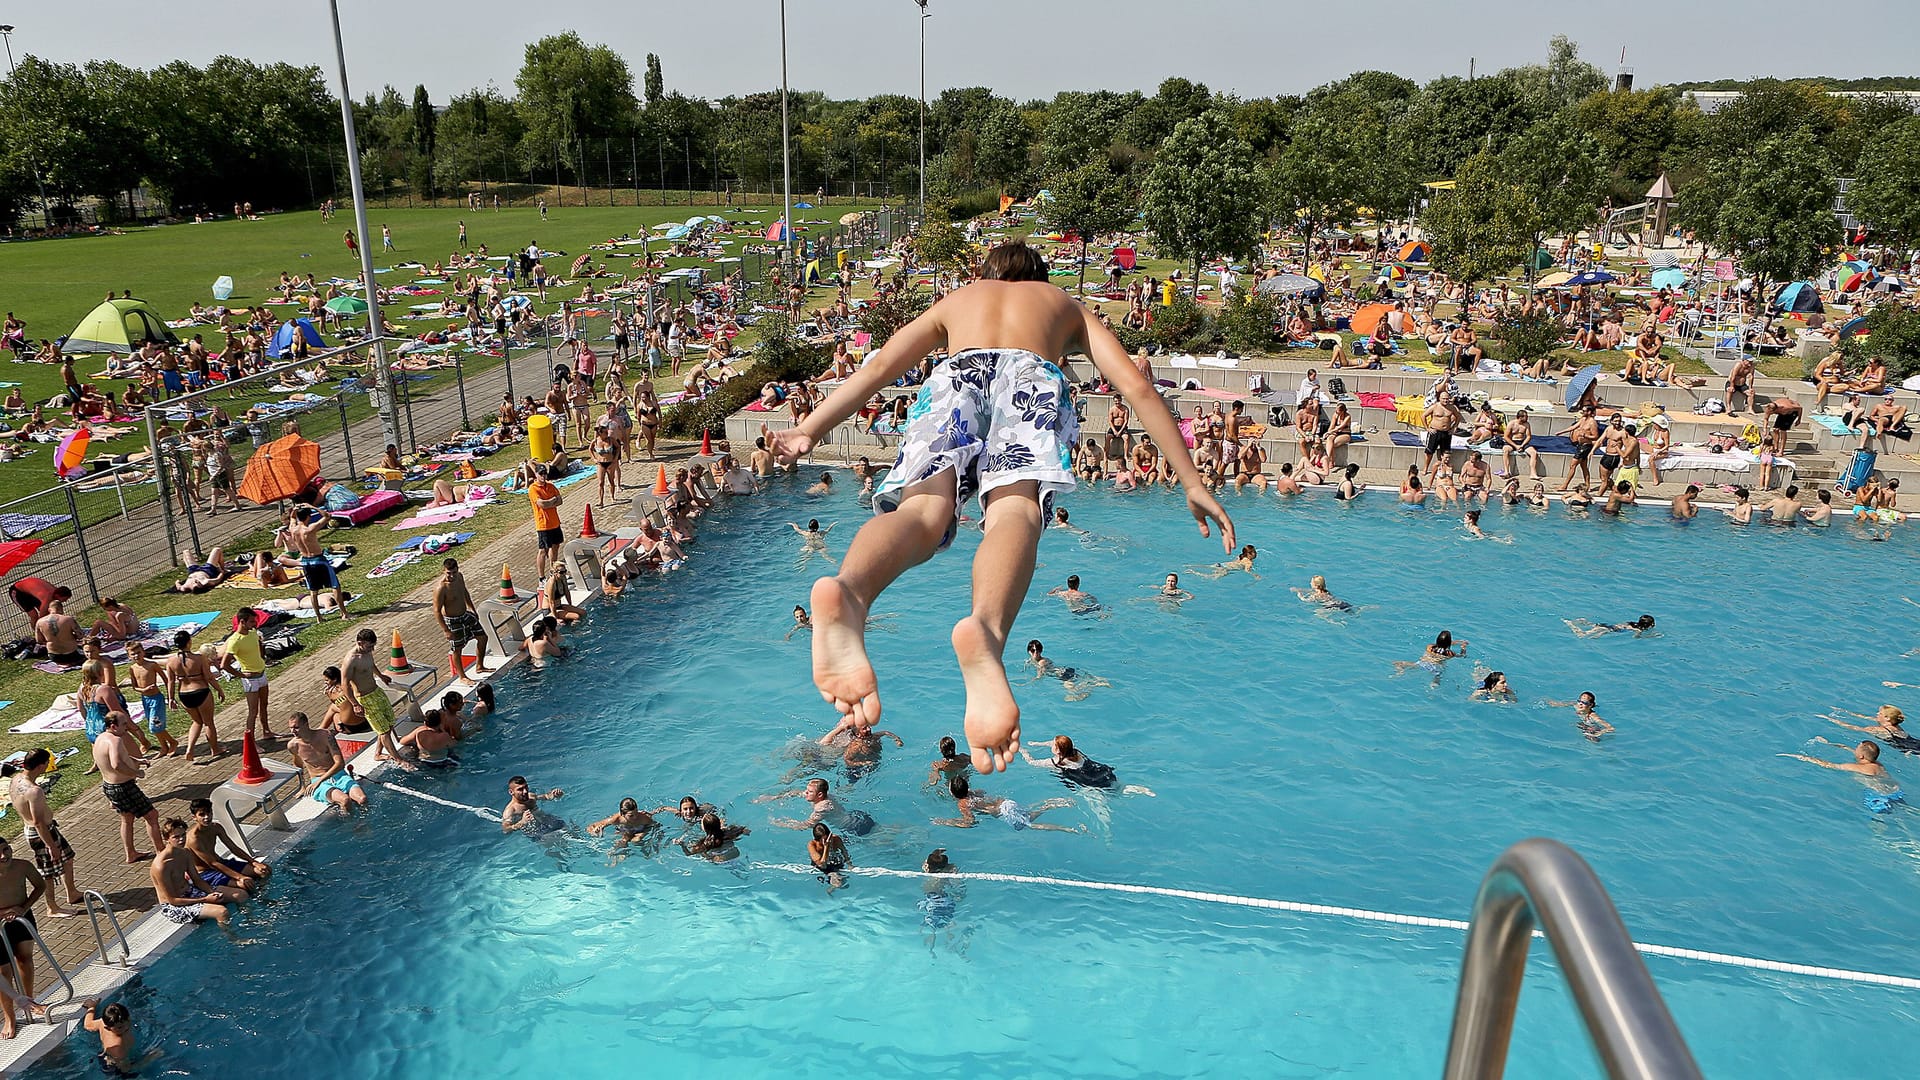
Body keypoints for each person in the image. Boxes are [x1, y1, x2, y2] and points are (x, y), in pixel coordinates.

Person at [763, 240, 1233, 774]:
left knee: (921, 513)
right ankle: (984, 629)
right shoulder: (1065, 305)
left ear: (987, 275)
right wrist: (1191, 480)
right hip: (1030, 382)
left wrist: (807, 430)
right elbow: (1136, 388)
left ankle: (848, 592)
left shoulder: (957, 300)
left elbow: (878, 370)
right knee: (1015, 514)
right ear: (1041, 274)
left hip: (954, 379)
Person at [4, 750, 82, 918]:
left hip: (45, 830)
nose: (48, 765)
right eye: (47, 763)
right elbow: (38, 822)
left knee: (68, 858)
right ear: (40, 765)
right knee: (48, 872)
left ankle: (72, 892)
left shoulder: (16, 779)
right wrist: (51, 846)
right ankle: (52, 907)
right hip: (42, 834)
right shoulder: (34, 791)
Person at [95, 713, 164, 863]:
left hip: (109, 786)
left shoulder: (100, 739)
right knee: (151, 816)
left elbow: (119, 757)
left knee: (127, 819)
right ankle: (161, 851)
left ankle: (131, 853)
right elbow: (116, 764)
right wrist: (136, 773)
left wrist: (138, 760)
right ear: (113, 726)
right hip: (123, 787)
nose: (127, 727)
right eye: (124, 724)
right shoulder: (115, 740)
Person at [151, 818, 233, 930]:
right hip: (174, 906)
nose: (181, 840)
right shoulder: (161, 866)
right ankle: (234, 940)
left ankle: (249, 922)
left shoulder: (185, 853)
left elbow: (197, 880)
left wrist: (212, 893)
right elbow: (172, 900)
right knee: (221, 912)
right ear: (167, 839)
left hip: (191, 891)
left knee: (239, 894)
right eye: (176, 837)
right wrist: (206, 899)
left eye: (183, 835)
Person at [934, 773, 1080, 832]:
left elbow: (969, 822)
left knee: (1030, 825)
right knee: (1027, 813)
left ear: (953, 793)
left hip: (1004, 812)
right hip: (1007, 803)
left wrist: (947, 822)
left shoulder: (962, 804)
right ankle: (1049, 804)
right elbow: (983, 792)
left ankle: (1066, 829)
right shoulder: (973, 792)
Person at [185, 797, 271, 893]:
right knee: (244, 884)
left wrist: (254, 862)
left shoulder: (216, 827)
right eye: (202, 815)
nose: (207, 817)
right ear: (194, 817)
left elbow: (233, 848)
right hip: (206, 872)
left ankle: (264, 893)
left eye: (208, 812)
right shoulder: (194, 838)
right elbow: (212, 864)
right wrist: (240, 877)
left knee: (264, 870)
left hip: (221, 863)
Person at [340, 628, 401, 763]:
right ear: (359, 642)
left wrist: (381, 676)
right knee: (383, 731)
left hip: (376, 691)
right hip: (365, 698)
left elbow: (371, 665)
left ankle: (378, 754)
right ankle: (399, 759)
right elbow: (345, 684)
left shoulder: (367, 652)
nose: (371, 650)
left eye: (373, 646)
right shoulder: (351, 660)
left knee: (390, 723)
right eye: (369, 646)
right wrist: (355, 704)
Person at [1021, 734, 1154, 795]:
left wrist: (1022, 750)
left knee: (1100, 806)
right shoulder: (1076, 752)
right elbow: (1059, 744)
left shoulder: (1055, 762)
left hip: (1089, 785)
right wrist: (1038, 744)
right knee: (1119, 787)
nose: (1050, 743)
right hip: (1100, 772)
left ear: (1057, 750)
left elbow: (1032, 762)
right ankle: (1137, 789)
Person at [219, 608, 279, 741]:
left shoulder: (252, 633)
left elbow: (258, 645)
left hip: (262, 674)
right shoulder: (235, 640)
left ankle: (267, 731)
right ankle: (251, 742)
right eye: (251, 621)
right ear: (242, 621)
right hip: (250, 680)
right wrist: (242, 675)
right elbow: (224, 665)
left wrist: (262, 658)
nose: (254, 624)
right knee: (253, 712)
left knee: (264, 705)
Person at [289, 712, 366, 814]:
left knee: (362, 799)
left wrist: (320, 780)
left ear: (306, 725)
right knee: (345, 800)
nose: (293, 731)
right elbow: (298, 766)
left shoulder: (325, 735)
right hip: (319, 782)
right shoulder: (293, 746)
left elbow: (340, 763)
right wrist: (302, 787)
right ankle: (353, 826)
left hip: (338, 776)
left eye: (296, 727)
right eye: (290, 728)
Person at [168, 629, 225, 762]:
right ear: (189, 642)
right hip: (201, 691)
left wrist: (171, 698)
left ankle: (190, 749)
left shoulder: (171, 662)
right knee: (208, 723)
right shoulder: (199, 658)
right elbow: (209, 677)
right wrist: (219, 690)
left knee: (196, 722)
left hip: (184, 694)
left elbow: (170, 682)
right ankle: (215, 749)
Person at [755, 777, 876, 836]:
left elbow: (807, 825)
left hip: (853, 827)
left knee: (878, 840)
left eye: (809, 792)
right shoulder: (827, 796)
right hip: (856, 816)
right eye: (807, 790)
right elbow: (796, 792)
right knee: (879, 830)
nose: (805, 793)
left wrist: (781, 824)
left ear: (819, 794)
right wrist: (774, 798)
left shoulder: (822, 808)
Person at [434, 559, 491, 681]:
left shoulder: (459, 577)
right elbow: (437, 611)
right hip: (452, 620)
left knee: (483, 637)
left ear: (458, 569)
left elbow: (465, 592)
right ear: (443, 571)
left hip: (465, 615)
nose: (452, 576)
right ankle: (462, 676)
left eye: (454, 572)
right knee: (457, 648)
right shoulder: (441, 588)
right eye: (449, 573)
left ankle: (480, 665)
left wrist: (472, 609)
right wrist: (446, 630)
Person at [84, 999, 152, 1077]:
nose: (126, 1027)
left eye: (128, 1021)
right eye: (120, 1027)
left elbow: (88, 1025)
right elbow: (126, 1069)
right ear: (108, 1028)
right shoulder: (116, 1047)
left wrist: (92, 1007)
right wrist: (149, 1058)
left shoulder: (115, 1021)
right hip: (113, 1065)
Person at [1782, 738, 1893, 784]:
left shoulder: (1854, 767)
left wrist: (1804, 758)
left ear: (1861, 756)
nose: (1854, 750)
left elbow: (1828, 765)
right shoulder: (1878, 765)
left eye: (1856, 749)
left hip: (1878, 797)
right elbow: (1862, 756)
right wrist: (1834, 745)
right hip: (1894, 791)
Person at [529, 464, 565, 581]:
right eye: (541, 474)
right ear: (536, 475)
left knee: (555, 546)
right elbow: (542, 504)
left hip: (555, 522)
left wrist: (550, 502)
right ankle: (541, 577)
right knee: (543, 551)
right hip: (543, 525)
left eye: (545, 473)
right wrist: (552, 500)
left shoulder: (550, 486)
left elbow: (560, 501)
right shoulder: (533, 489)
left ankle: (553, 571)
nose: (543, 476)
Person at [587, 797, 658, 850]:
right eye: (631, 815)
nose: (635, 817)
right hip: (625, 830)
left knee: (636, 840)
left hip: (640, 829)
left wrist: (654, 839)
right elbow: (591, 826)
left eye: (636, 812)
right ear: (622, 814)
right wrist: (595, 831)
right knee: (622, 842)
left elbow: (655, 825)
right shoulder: (616, 819)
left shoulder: (643, 818)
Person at [679, 811, 749, 862]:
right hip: (735, 854)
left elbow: (689, 854)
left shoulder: (703, 844)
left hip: (720, 861)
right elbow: (746, 831)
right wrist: (725, 828)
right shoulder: (730, 832)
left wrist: (682, 845)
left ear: (704, 828)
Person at [1547, 691, 1614, 741]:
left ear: (1590, 705)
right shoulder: (1576, 705)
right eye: (1579, 701)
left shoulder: (1593, 716)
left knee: (1591, 738)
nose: (1580, 704)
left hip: (1592, 727)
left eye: (1584, 703)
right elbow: (1561, 704)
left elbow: (1610, 728)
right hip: (1583, 723)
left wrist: (1597, 734)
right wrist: (1550, 702)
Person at [809, 822, 851, 893]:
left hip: (834, 860)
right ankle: (831, 888)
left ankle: (834, 885)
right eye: (824, 840)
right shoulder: (812, 845)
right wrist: (826, 847)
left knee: (841, 878)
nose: (829, 840)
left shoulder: (836, 839)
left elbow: (844, 852)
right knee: (836, 879)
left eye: (829, 837)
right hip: (820, 865)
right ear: (817, 840)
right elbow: (822, 865)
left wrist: (850, 864)